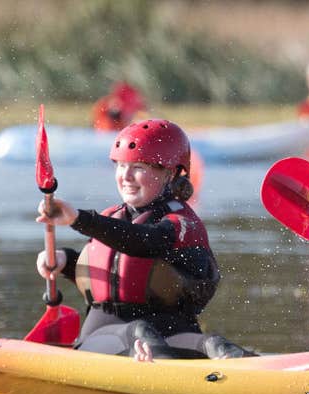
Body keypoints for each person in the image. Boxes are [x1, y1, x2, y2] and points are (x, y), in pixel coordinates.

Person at [35, 119, 255, 360]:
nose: (125, 176)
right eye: (120, 165)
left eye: (138, 167)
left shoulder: (181, 223)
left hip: (170, 331)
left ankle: (266, 377)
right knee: (139, 332)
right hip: (103, 334)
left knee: (214, 344)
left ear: (170, 173)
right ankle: (169, 376)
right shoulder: (113, 218)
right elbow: (115, 269)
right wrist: (64, 260)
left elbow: (146, 242)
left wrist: (79, 219)